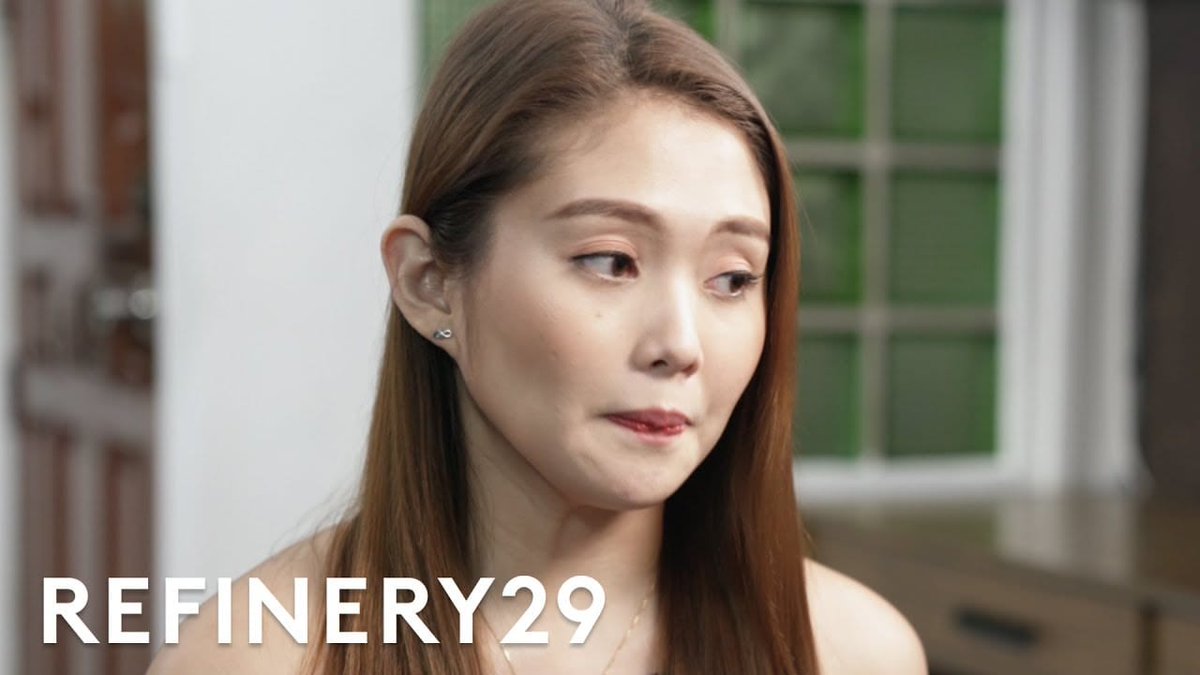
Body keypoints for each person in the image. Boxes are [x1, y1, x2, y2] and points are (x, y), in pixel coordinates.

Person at [148, 0, 926, 673]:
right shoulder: (256, 655)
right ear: (428, 281)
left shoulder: (851, 651)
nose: (680, 344)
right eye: (610, 261)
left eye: (731, 278)